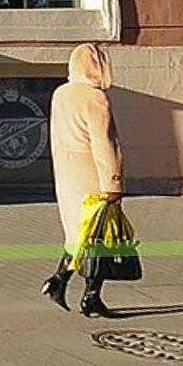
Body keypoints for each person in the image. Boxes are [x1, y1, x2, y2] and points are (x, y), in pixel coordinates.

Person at [43, 43, 124, 318]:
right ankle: (91, 297)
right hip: (92, 175)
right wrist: (113, 183)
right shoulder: (95, 98)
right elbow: (105, 145)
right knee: (99, 236)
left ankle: (59, 281)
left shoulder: (61, 93)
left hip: (67, 173)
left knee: (78, 234)